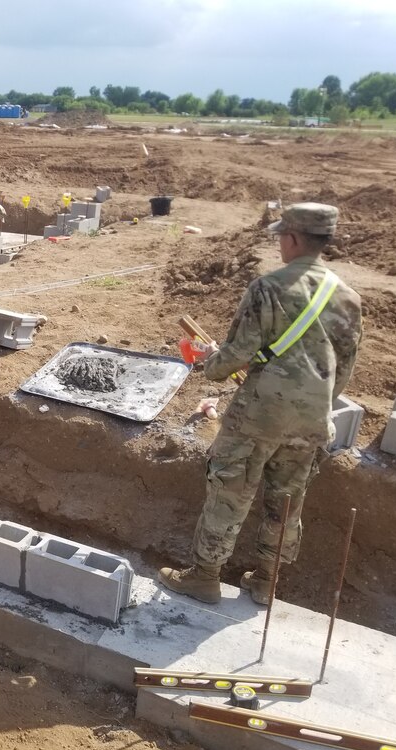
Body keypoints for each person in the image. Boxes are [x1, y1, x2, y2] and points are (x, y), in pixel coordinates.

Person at [158, 203, 363, 605]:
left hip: (257, 416)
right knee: (286, 502)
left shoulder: (269, 288)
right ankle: (266, 582)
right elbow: (344, 371)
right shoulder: (349, 298)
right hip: (311, 421)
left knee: (229, 491)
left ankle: (205, 576)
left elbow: (236, 355)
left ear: (292, 239)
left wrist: (211, 365)